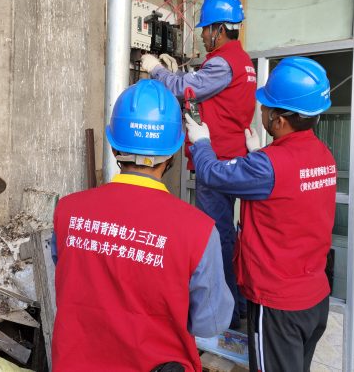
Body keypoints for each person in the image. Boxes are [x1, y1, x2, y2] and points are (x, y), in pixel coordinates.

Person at [51, 79, 234, 372]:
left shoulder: (68, 211)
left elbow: (67, 276)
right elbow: (210, 322)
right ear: (173, 152)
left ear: (114, 147)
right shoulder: (198, 231)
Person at [184, 57, 336, 372]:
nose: (261, 112)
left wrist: (202, 142)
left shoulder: (268, 166)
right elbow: (287, 191)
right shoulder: (323, 156)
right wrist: (257, 153)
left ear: (279, 120)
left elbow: (212, 174)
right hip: (314, 298)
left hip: (278, 305)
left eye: (265, 107)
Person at [141, 0, 257, 328]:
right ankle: (239, 307)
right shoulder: (243, 62)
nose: (203, 37)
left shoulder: (222, 63)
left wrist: (155, 69)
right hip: (233, 157)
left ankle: (225, 316)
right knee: (227, 234)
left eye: (206, 29)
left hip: (216, 160)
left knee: (216, 236)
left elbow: (184, 89)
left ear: (219, 29)